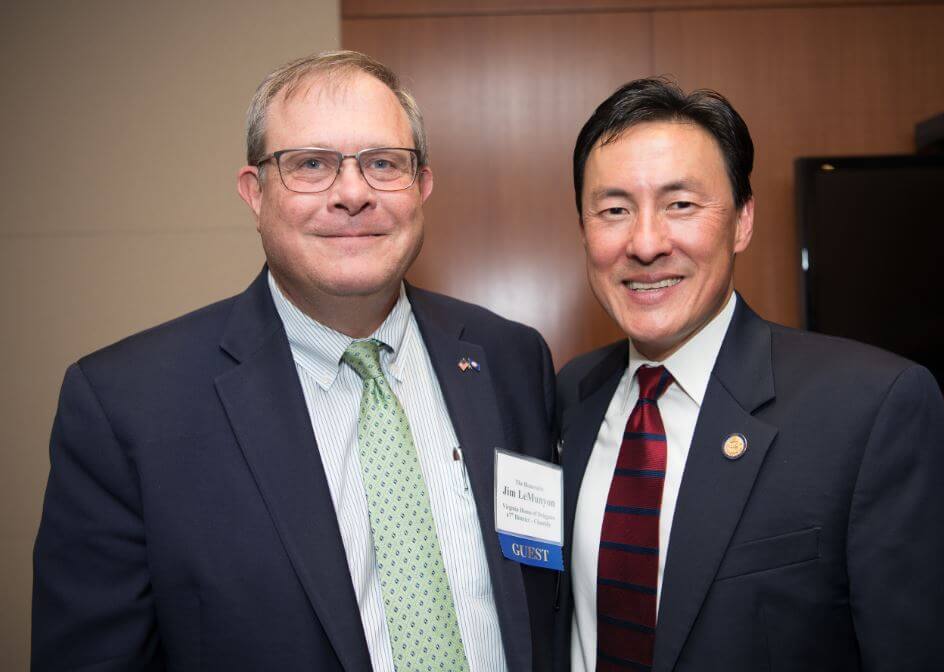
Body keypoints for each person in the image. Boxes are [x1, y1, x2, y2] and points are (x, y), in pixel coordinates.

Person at [33, 51, 556, 671]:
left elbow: (542, 586)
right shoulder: (128, 407)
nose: (354, 194)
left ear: (422, 187)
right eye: (311, 164)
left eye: (384, 164)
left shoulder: (511, 359)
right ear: (254, 194)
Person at [553, 78, 944, 671]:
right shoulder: (568, 396)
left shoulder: (872, 408)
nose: (644, 243)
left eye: (680, 205)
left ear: (741, 220)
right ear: (585, 230)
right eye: (614, 210)